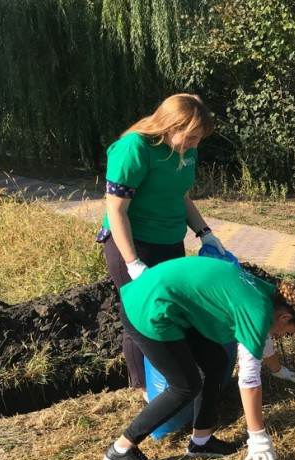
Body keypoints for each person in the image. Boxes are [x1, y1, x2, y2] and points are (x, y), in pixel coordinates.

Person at [102, 256, 295, 460]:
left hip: (168, 300)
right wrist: (258, 436)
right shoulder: (257, 310)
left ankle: (201, 442)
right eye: (289, 332)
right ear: (285, 316)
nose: (283, 336)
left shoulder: (267, 294)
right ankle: (121, 449)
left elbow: (262, 339)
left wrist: (277, 370)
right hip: (148, 308)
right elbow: (249, 380)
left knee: (215, 361)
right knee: (185, 386)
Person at [95, 94, 228, 395]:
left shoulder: (185, 151)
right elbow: (116, 211)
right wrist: (133, 263)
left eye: (199, 140)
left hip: (169, 241)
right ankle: (143, 388)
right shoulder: (135, 149)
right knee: (142, 314)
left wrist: (204, 232)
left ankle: (174, 380)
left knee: (171, 312)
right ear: (170, 126)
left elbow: (180, 196)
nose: (194, 145)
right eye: (191, 137)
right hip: (132, 243)